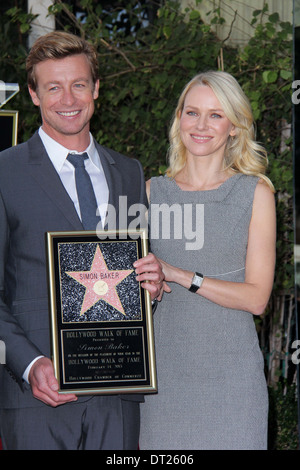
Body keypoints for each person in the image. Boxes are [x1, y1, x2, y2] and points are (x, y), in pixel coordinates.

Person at [0, 31, 163, 450]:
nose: (67, 98)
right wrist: (29, 363)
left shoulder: (127, 172)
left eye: (78, 84)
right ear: (34, 95)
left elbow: (132, 269)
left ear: (95, 89)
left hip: (118, 393)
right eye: (53, 87)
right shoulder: (5, 172)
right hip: (38, 396)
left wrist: (152, 283)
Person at [137, 71, 276, 450]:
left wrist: (179, 274)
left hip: (233, 383)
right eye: (192, 112)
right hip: (163, 381)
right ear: (179, 119)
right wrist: (148, 289)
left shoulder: (254, 193)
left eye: (216, 115)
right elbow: (133, 299)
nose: (201, 125)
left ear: (234, 126)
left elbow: (256, 298)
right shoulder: (150, 194)